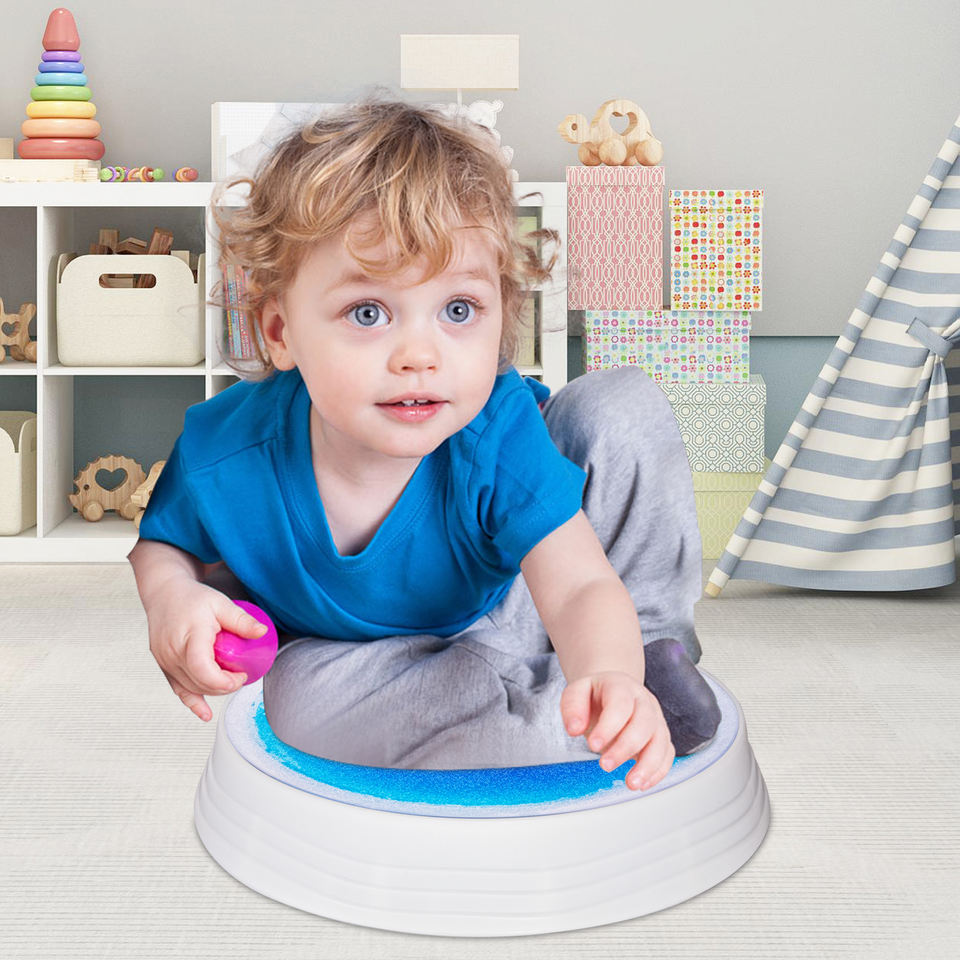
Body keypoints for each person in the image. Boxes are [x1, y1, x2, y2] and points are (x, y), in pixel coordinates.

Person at [128, 92, 720, 793]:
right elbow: (161, 544)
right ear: (280, 333)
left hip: (528, 601)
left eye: (459, 310)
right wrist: (172, 600)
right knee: (296, 707)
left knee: (621, 407)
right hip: (367, 660)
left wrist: (609, 670)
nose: (419, 355)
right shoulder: (227, 451)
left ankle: (640, 672)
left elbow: (581, 584)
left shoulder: (493, 431)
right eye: (368, 312)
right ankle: (559, 719)